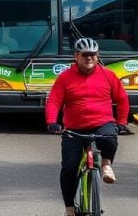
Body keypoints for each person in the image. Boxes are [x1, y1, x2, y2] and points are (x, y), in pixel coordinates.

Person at [45, 38, 130, 216]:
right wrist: (52, 121)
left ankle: (106, 164)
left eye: (93, 55)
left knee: (110, 138)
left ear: (97, 56)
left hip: (102, 123)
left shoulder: (108, 75)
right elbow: (54, 101)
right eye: (85, 55)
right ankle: (69, 208)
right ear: (76, 56)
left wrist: (122, 122)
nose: (89, 58)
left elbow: (122, 99)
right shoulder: (65, 78)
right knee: (69, 169)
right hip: (74, 129)